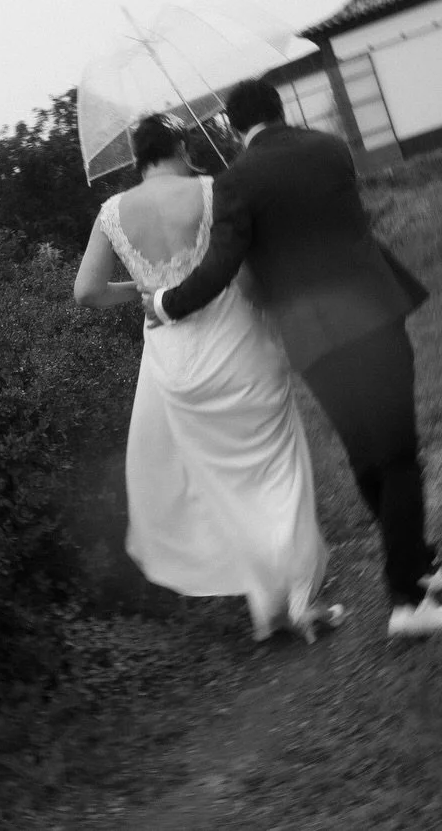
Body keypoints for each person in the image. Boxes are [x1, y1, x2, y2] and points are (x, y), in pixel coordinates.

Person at [142, 79, 442, 637]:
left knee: (367, 457)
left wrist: (166, 303)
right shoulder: (330, 149)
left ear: (236, 127)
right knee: (399, 457)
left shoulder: (234, 181)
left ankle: (420, 564)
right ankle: (409, 600)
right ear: (279, 109)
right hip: (369, 314)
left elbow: (220, 269)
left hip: (312, 338)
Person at [73, 113, 343, 643]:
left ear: (137, 157)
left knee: (226, 486)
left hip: (176, 367)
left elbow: (86, 291)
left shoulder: (111, 213)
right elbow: (241, 277)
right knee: (275, 468)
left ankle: (268, 608)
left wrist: (147, 291)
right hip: (235, 344)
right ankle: (296, 601)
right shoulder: (214, 189)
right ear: (176, 144)